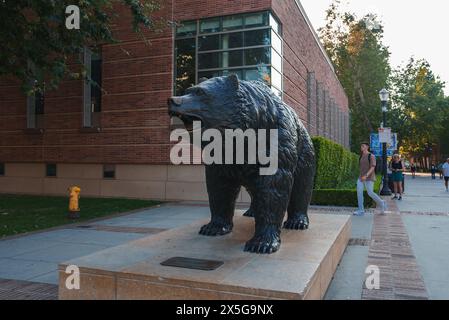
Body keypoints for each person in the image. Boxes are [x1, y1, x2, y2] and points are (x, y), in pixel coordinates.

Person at [354, 142, 387, 216]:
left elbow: (372, 167)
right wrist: (361, 175)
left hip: (369, 177)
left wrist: (366, 175)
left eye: (363, 146)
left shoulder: (371, 156)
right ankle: (361, 210)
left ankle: (382, 203)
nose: (361, 147)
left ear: (367, 147)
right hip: (361, 177)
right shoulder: (361, 156)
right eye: (361, 146)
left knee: (370, 193)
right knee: (359, 193)